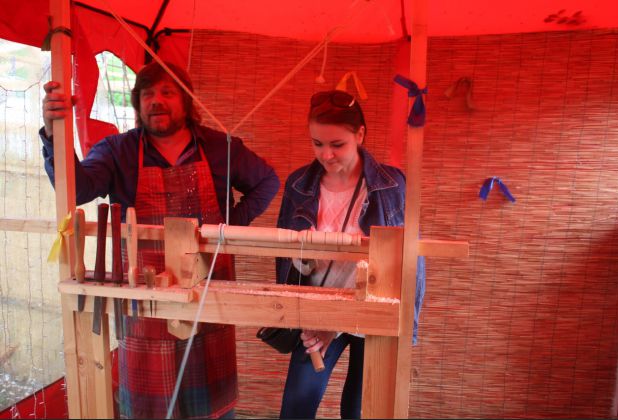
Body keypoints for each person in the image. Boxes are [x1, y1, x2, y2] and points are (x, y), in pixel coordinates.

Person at [41, 61, 280, 418]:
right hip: (144, 297)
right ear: (138, 103)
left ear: (186, 101)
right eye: (148, 93)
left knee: (211, 401)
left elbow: (267, 181)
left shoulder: (219, 147)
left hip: (207, 293)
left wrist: (229, 227)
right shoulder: (118, 150)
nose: (156, 101)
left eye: (168, 92)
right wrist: (54, 133)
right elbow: (77, 189)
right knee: (147, 406)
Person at [275, 90, 425, 419]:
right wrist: (300, 306)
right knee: (296, 408)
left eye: (337, 144)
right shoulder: (299, 184)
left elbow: (408, 263)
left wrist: (404, 325)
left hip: (373, 309)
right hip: (318, 312)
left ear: (360, 134)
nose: (326, 154)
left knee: (359, 409)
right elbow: (286, 259)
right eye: (317, 143)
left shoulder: (392, 185)